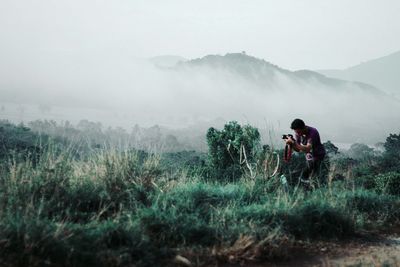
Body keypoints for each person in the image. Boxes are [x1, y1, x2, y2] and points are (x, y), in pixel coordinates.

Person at [284, 118, 327, 188]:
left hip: (318, 156)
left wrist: (294, 142)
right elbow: (298, 149)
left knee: (309, 176)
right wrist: (291, 144)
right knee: (305, 176)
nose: (297, 134)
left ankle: (313, 188)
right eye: (296, 132)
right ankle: (307, 188)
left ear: (303, 127)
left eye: (298, 132)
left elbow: (307, 148)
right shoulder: (298, 133)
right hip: (309, 157)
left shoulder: (313, 132)